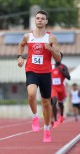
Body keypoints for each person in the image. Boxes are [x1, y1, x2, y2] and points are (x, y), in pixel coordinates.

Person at [17, 10, 61, 142]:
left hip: (46, 72)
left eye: (42, 18)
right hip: (31, 70)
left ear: (46, 21)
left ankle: (47, 130)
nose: (40, 20)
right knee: (31, 93)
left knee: (46, 103)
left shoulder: (51, 38)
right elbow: (21, 45)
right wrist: (20, 57)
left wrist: (51, 49)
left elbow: (58, 58)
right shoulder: (27, 36)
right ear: (35, 20)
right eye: (37, 18)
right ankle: (35, 116)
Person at [51, 52, 70, 127]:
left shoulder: (63, 66)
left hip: (61, 88)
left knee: (61, 104)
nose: (57, 58)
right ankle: (55, 120)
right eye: (55, 57)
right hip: (53, 88)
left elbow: (69, 77)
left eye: (59, 57)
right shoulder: (51, 66)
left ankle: (61, 115)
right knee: (54, 101)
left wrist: (62, 71)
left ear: (61, 58)